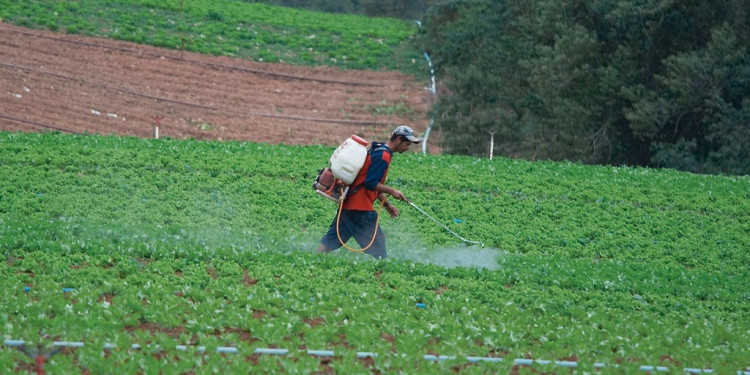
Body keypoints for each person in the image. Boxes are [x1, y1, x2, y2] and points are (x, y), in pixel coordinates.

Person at [318, 125, 421, 258]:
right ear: (398, 139)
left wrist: (387, 205)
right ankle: (381, 276)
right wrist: (393, 191)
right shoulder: (383, 156)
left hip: (349, 205)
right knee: (379, 251)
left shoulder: (378, 150)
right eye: (406, 144)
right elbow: (371, 183)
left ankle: (313, 261)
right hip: (361, 210)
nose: (407, 148)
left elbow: (368, 182)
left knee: (330, 241)